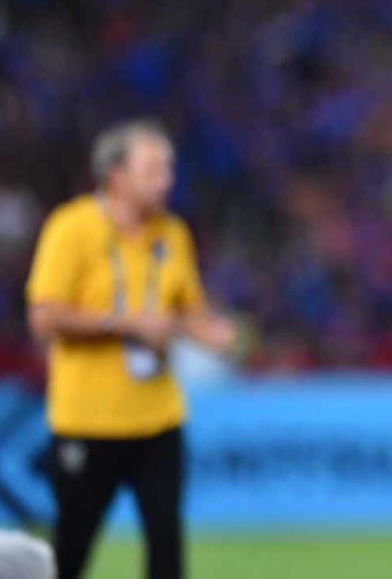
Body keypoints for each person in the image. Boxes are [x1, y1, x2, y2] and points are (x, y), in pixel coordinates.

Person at [26, 119, 238, 579]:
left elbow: (187, 311)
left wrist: (212, 334)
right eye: (154, 169)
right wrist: (124, 324)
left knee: (167, 551)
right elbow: (43, 317)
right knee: (71, 550)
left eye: (169, 168)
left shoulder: (172, 233)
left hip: (157, 418)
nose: (167, 179)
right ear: (116, 175)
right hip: (88, 419)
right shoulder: (72, 227)